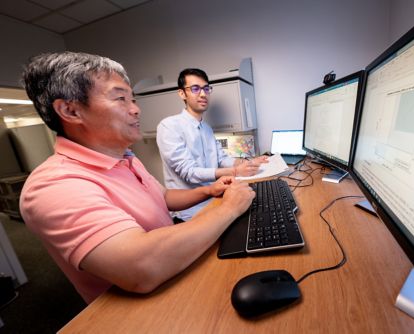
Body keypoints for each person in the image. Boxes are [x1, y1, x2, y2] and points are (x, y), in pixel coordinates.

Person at [19, 52, 255, 304]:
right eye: (120, 98)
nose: (135, 109)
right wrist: (230, 208)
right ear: (70, 110)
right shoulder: (52, 186)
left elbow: (162, 197)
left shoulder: (126, 157)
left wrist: (209, 190)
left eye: (132, 99)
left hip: (174, 276)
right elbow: (140, 267)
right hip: (142, 310)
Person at [156, 68, 267, 221]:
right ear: (182, 93)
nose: (203, 94)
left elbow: (221, 158)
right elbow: (189, 172)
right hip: (189, 212)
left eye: (206, 88)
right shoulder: (169, 126)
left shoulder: (207, 128)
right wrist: (235, 171)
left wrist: (248, 163)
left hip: (215, 200)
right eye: (195, 88)